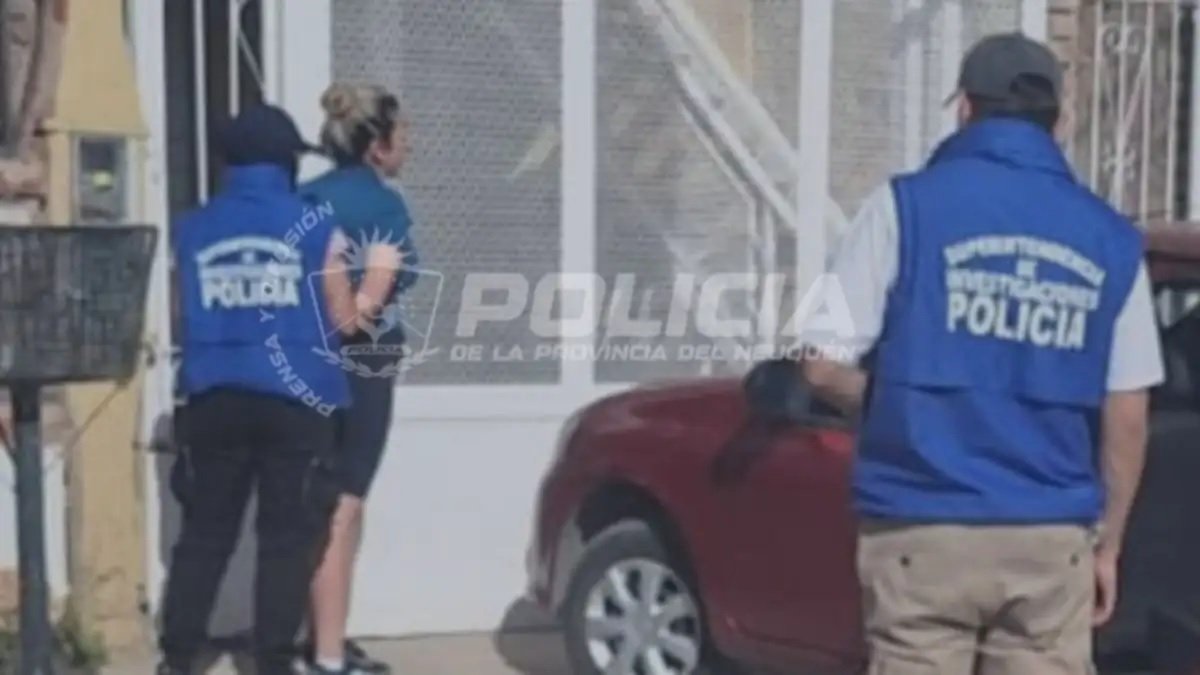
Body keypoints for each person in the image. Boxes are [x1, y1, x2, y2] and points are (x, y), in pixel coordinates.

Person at [800, 33, 1165, 674]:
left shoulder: (899, 208)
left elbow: (819, 362)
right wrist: (1107, 546)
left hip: (922, 528)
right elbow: (1127, 413)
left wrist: (892, 404)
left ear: (964, 108)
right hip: (1049, 538)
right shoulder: (1112, 239)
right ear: (1061, 120)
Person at [158, 104, 367, 675]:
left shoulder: (191, 228)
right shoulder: (317, 227)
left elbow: (179, 314)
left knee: (205, 534)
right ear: (285, 163)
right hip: (297, 400)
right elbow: (343, 318)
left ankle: (178, 656)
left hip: (213, 397)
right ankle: (272, 659)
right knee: (286, 538)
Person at [297, 82, 420, 675]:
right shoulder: (382, 207)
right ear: (377, 145)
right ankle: (326, 655)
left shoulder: (305, 198)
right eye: (402, 133)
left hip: (303, 363)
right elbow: (362, 309)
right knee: (344, 502)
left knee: (322, 498)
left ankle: (324, 635)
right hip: (362, 362)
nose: (409, 144)